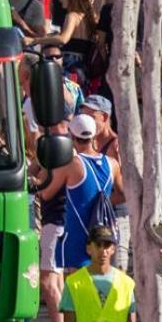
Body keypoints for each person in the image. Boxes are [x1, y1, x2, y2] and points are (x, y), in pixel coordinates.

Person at [40, 114, 118, 274]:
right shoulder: (112, 164)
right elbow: (124, 195)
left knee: (76, 292)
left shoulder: (71, 164)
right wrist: (100, 202)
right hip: (102, 238)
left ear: (72, 136)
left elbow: (46, 194)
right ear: (94, 134)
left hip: (77, 238)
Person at [58, 226, 135, 322]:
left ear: (113, 249)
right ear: (89, 248)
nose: (103, 251)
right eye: (98, 245)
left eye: (107, 246)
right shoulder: (73, 283)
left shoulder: (126, 284)